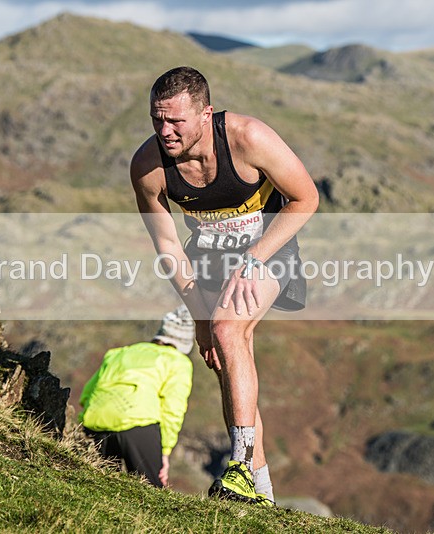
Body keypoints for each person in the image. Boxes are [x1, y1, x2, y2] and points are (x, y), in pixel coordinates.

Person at [130, 66, 319, 505]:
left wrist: (254, 260)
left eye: (175, 120)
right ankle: (262, 492)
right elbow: (167, 245)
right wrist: (198, 315)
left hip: (268, 249)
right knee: (227, 362)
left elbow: (305, 197)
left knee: (230, 329)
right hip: (209, 258)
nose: (165, 130)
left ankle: (238, 468)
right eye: (157, 119)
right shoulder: (148, 166)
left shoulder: (248, 138)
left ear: (205, 114)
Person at [79, 305, 194, 488]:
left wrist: (84, 423)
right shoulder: (178, 362)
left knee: (98, 488)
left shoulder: (119, 353)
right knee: (151, 492)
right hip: (139, 426)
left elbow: (87, 393)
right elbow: (173, 409)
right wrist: (164, 452)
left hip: (97, 424)